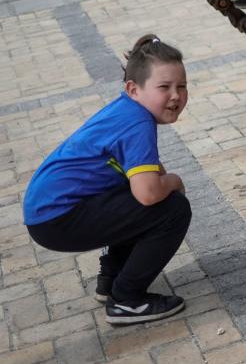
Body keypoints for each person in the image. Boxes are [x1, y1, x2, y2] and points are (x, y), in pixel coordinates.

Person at [22, 34, 191, 325]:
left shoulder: (125, 110)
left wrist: (159, 177)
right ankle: (126, 299)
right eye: (164, 87)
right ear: (133, 88)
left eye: (182, 86)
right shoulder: (137, 123)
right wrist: (174, 181)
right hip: (57, 218)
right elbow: (149, 194)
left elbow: (141, 173)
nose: (176, 95)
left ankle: (111, 278)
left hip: (46, 211)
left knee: (135, 196)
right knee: (172, 210)